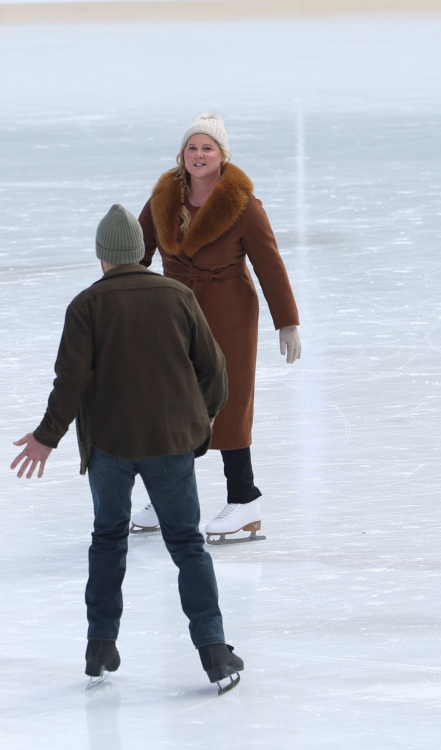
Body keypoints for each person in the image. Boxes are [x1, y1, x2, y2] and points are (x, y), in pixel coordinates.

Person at [10, 204, 244, 694]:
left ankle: (100, 646)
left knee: (108, 540)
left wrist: (46, 437)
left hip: (110, 448)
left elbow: (70, 381)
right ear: (140, 253)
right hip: (170, 443)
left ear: (102, 256)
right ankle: (214, 651)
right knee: (186, 545)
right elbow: (216, 370)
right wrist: (197, 421)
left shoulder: (86, 306)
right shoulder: (177, 295)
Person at [131, 114, 301, 544]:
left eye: (208, 148)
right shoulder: (163, 199)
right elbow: (137, 251)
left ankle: (244, 500)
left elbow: (270, 265)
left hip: (227, 310)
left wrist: (288, 323)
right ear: (182, 155)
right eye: (192, 148)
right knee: (171, 403)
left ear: (222, 155)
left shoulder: (243, 206)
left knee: (227, 400)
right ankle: (168, 493)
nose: (199, 155)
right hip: (174, 312)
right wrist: (120, 297)